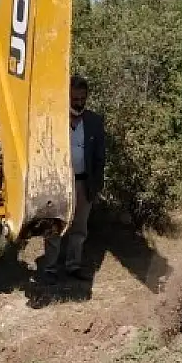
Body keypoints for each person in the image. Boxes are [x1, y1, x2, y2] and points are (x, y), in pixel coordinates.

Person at [39, 75, 106, 282]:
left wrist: (96, 185)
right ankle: (50, 268)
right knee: (55, 225)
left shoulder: (94, 121)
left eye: (82, 98)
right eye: (74, 98)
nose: (79, 102)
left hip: (83, 183)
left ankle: (73, 266)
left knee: (79, 228)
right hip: (58, 184)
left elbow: (99, 157)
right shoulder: (53, 120)